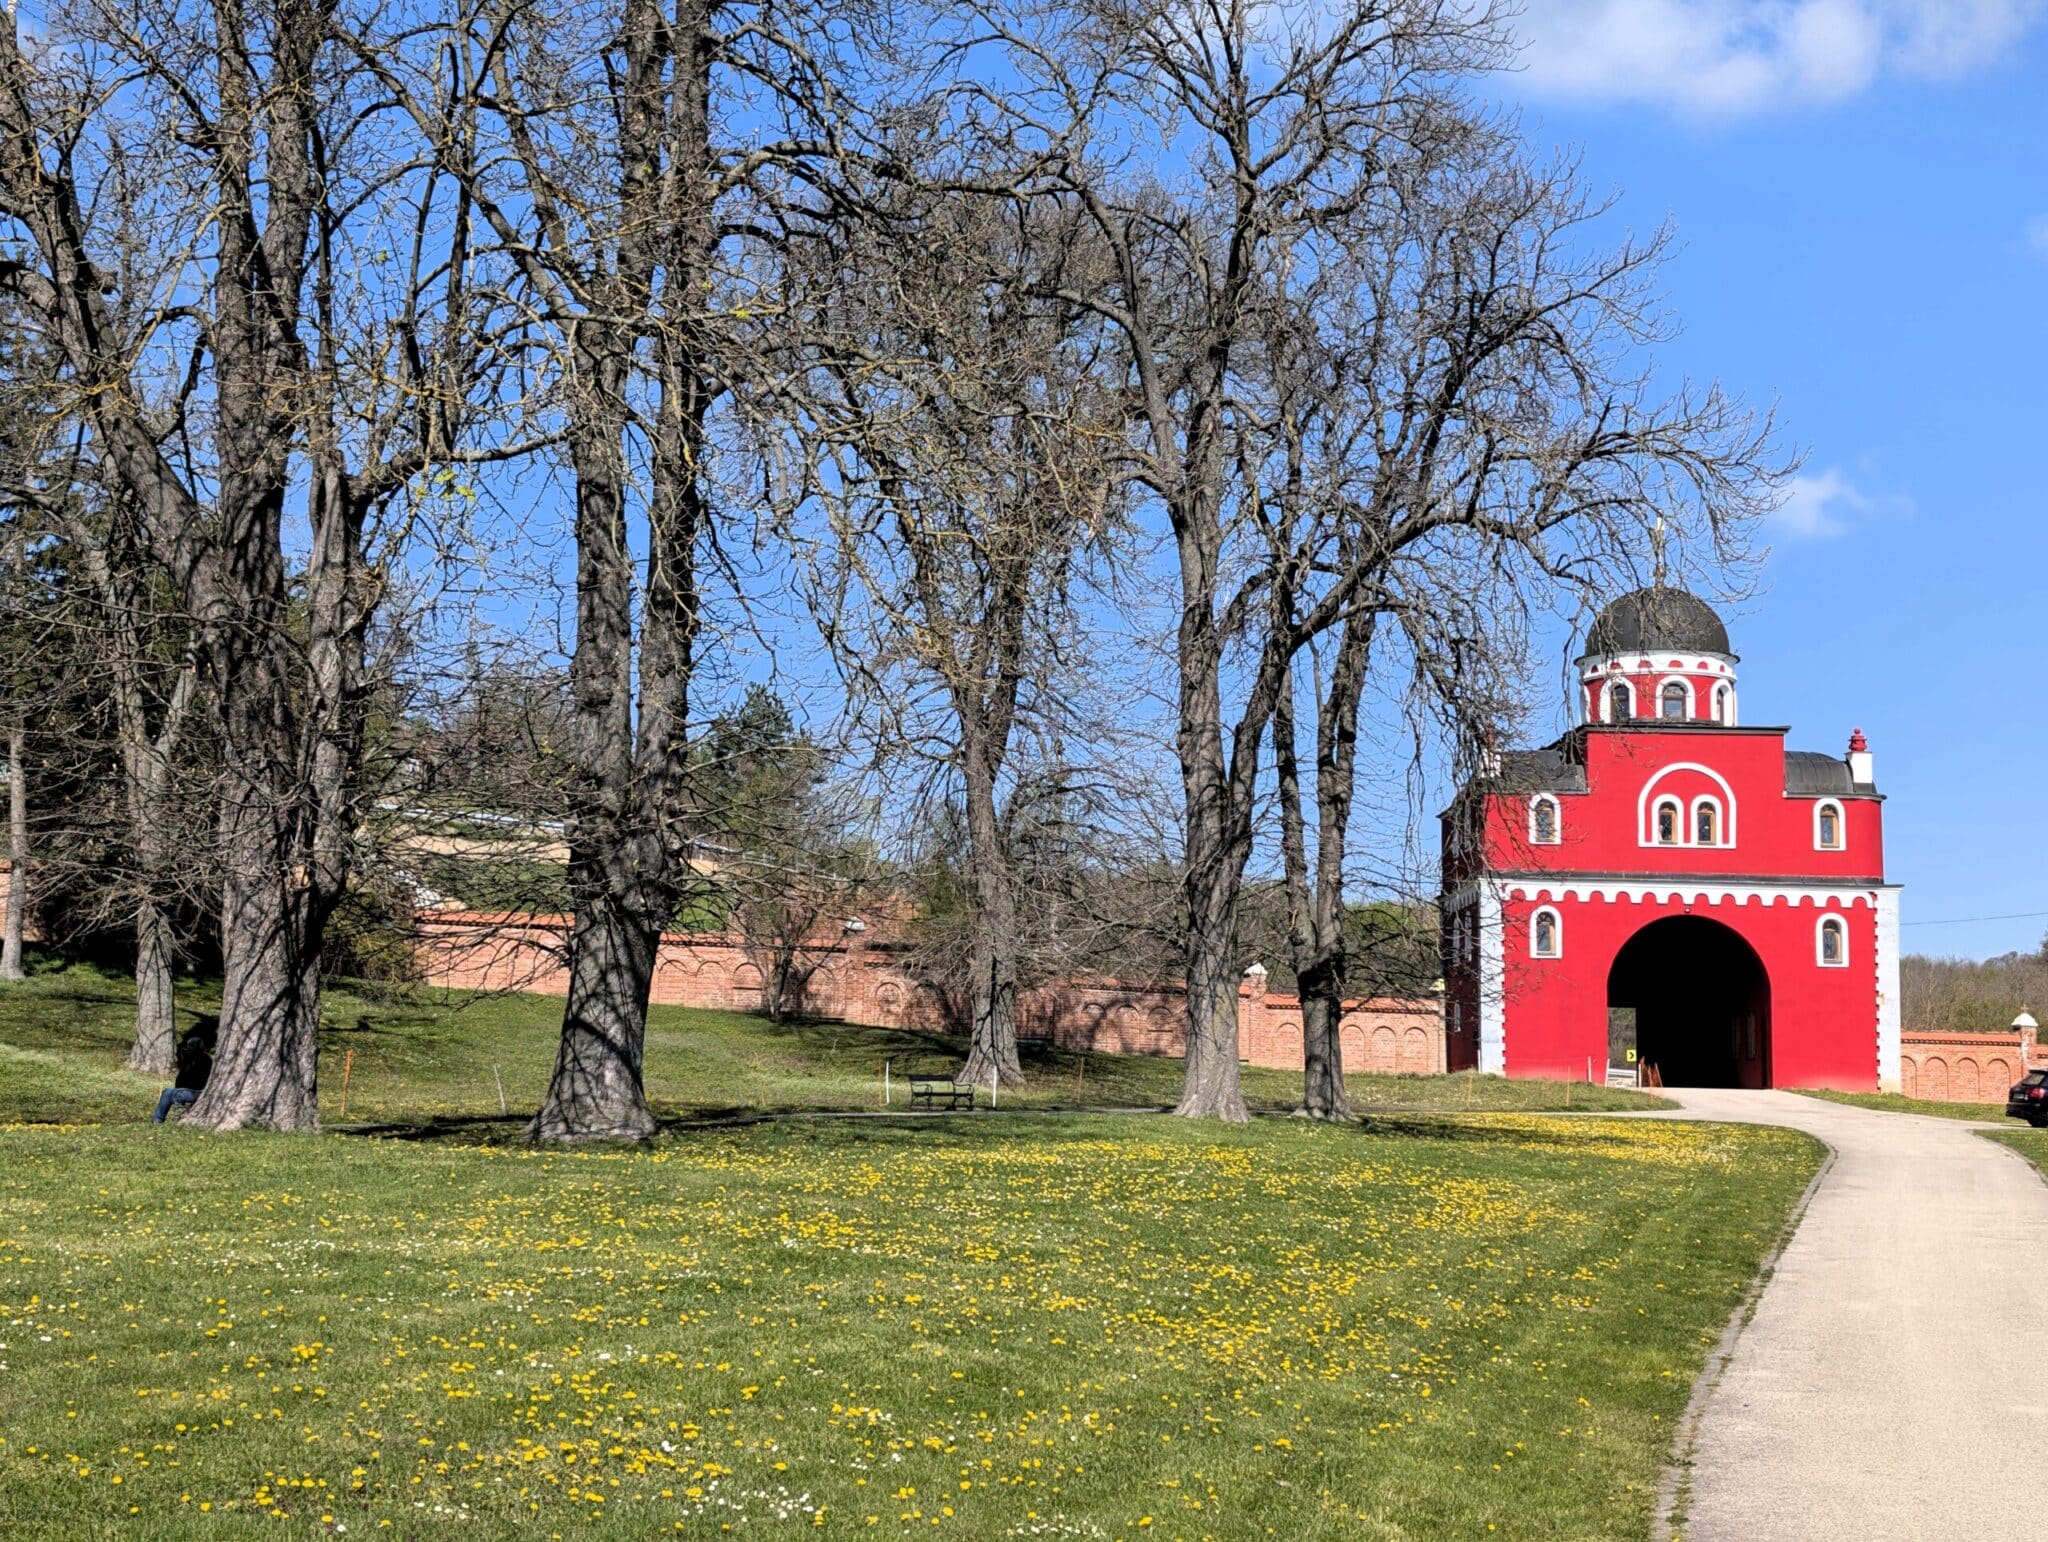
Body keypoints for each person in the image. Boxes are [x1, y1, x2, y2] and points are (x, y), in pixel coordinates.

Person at [152, 1015, 218, 1123]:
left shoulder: (191, 1058)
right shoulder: (207, 1059)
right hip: (198, 1092)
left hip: (194, 1093)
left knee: (167, 1093)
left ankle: (157, 1120)